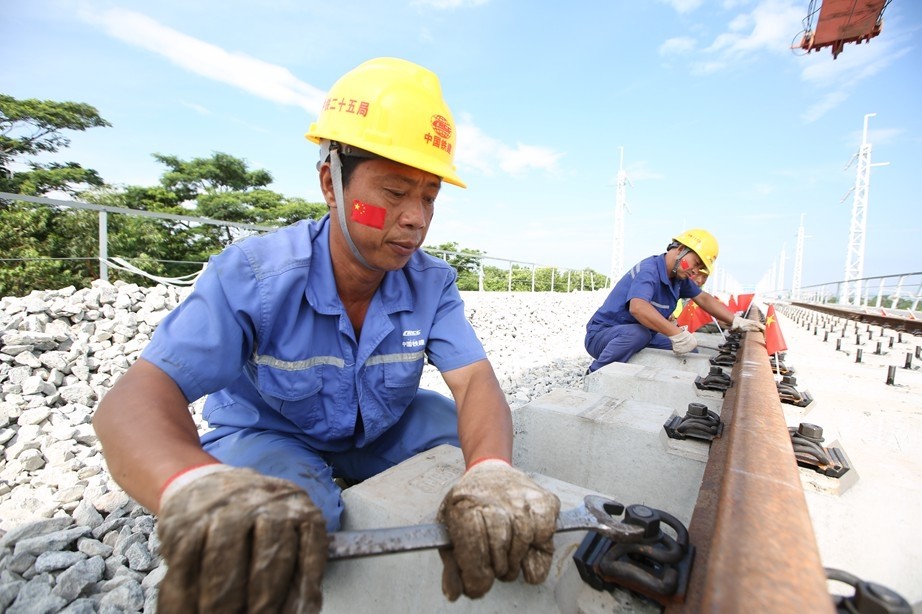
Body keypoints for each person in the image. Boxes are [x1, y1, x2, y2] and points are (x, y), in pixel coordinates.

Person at [93, 57, 560, 612]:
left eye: (429, 196)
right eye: (393, 192)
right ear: (330, 184)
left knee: (478, 446)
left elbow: (476, 381)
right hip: (273, 433)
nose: (415, 217)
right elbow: (137, 398)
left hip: (381, 429)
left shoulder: (431, 283)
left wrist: (489, 473)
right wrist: (191, 489)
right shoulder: (256, 275)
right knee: (293, 525)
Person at [584, 229, 763, 372]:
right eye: (696, 262)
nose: (695, 271)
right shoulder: (649, 270)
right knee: (639, 333)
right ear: (679, 250)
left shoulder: (678, 278)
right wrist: (676, 334)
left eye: (700, 268)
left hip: (643, 335)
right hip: (602, 336)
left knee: (690, 350)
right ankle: (594, 373)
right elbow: (638, 308)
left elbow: (703, 298)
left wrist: (736, 321)